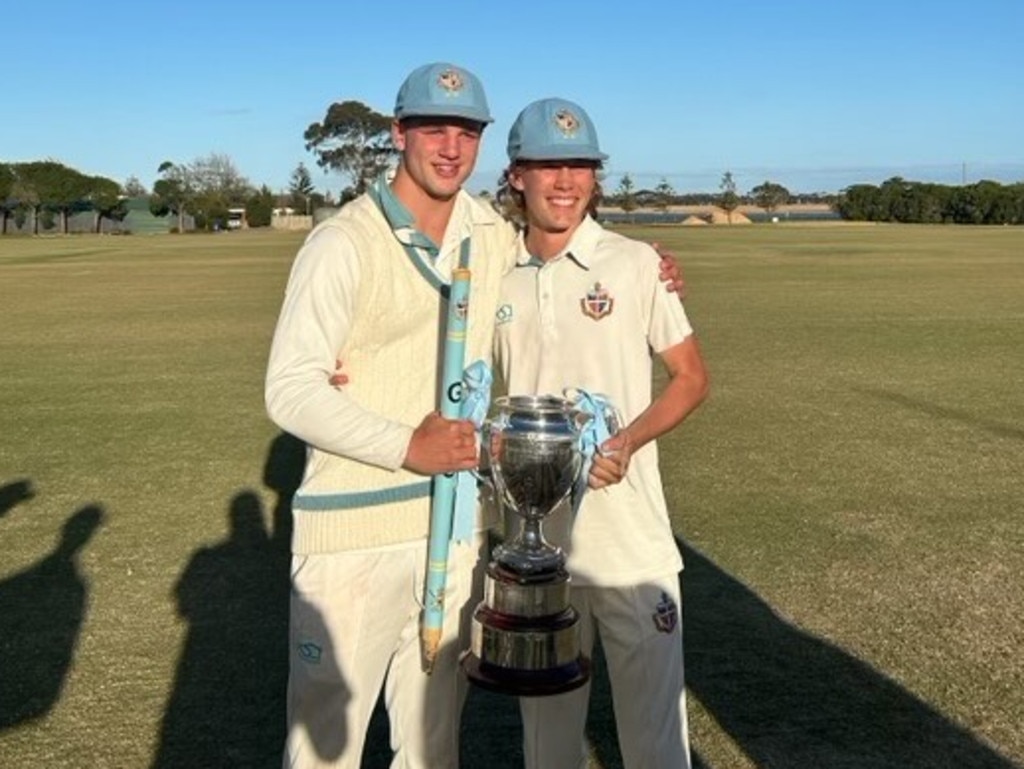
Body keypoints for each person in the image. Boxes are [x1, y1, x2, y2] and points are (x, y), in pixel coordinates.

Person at [265, 62, 516, 769]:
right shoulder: (342, 242)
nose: (451, 147)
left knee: (435, 749)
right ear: (399, 133)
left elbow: (550, 273)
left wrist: (646, 267)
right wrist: (408, 443)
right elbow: (288, 389)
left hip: (455, 531)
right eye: (433, 128)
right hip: (352, 536)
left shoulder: (490, 232)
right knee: (323, 748)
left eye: (466, 131)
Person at [491, 97, 709, 769]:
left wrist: (626, 441)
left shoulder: (637, 262)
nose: (565, 182)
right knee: (548, 747)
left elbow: (690, 377)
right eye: (548, 166)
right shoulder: (490, 269)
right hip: (538, 552)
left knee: (655, 745)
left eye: (580, 166)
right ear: (517, 176)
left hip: (634, 547)